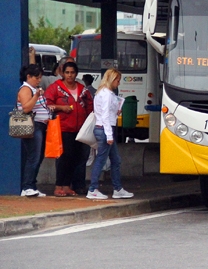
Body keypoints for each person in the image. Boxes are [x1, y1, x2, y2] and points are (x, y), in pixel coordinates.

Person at [44, 61, 94, 197]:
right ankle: (58, 186)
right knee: (64, 157)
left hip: (80, 129)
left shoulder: (82, 89)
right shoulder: (55, 88)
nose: (70, 75)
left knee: (75, 158)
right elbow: (46, 104)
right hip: (63, 128)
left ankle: (66, 186)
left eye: (72, 73)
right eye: (67, 72)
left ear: (76, 74)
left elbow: (90, 106)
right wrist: (61, 108)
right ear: (62, 73)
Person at [86, 68, 134, 200]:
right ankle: (94, 188)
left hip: (102, 128)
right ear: (112, 79)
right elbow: (105, 115)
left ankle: (117, 188)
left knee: (114, 160)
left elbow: (103, 112)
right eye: (117, 80)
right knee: (103, 159)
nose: (119, 83)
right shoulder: (107, 94)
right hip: (105, 129)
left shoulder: (101, 92)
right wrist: (109, 135)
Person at [17, 64, 55, 197]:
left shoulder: (33, 89)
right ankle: (27, 186)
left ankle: (32, 185)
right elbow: (26, 108)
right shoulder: (26, 89)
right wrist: (36, 96)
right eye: (37, 77)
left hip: (40, 125)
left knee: (37, 157)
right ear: (29, 77)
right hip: (33, 126)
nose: (39, 80)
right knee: (33, 157)